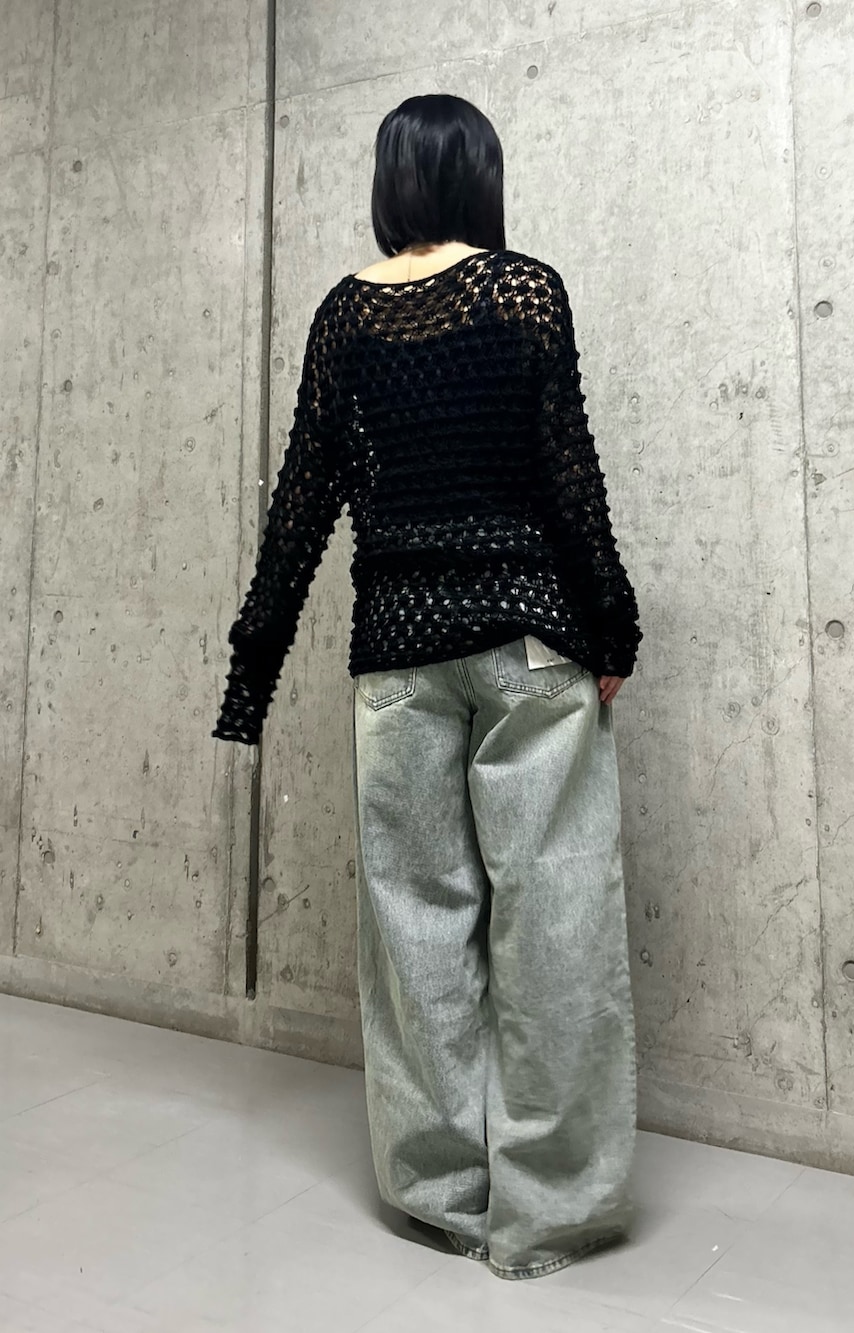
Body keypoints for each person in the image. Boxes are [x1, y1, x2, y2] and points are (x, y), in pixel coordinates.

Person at [212, 93, 642, 1281]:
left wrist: (251, 670)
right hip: (531, 648)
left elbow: (300, 506)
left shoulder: (344, 317)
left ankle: (442, 1198)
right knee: (554, 919)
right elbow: (568, 476)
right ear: (481, 178)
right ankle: (549, 1215)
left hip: (399, 658)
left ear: (391, 181)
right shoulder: (526, 293)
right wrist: (614, 628)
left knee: (415, 929)